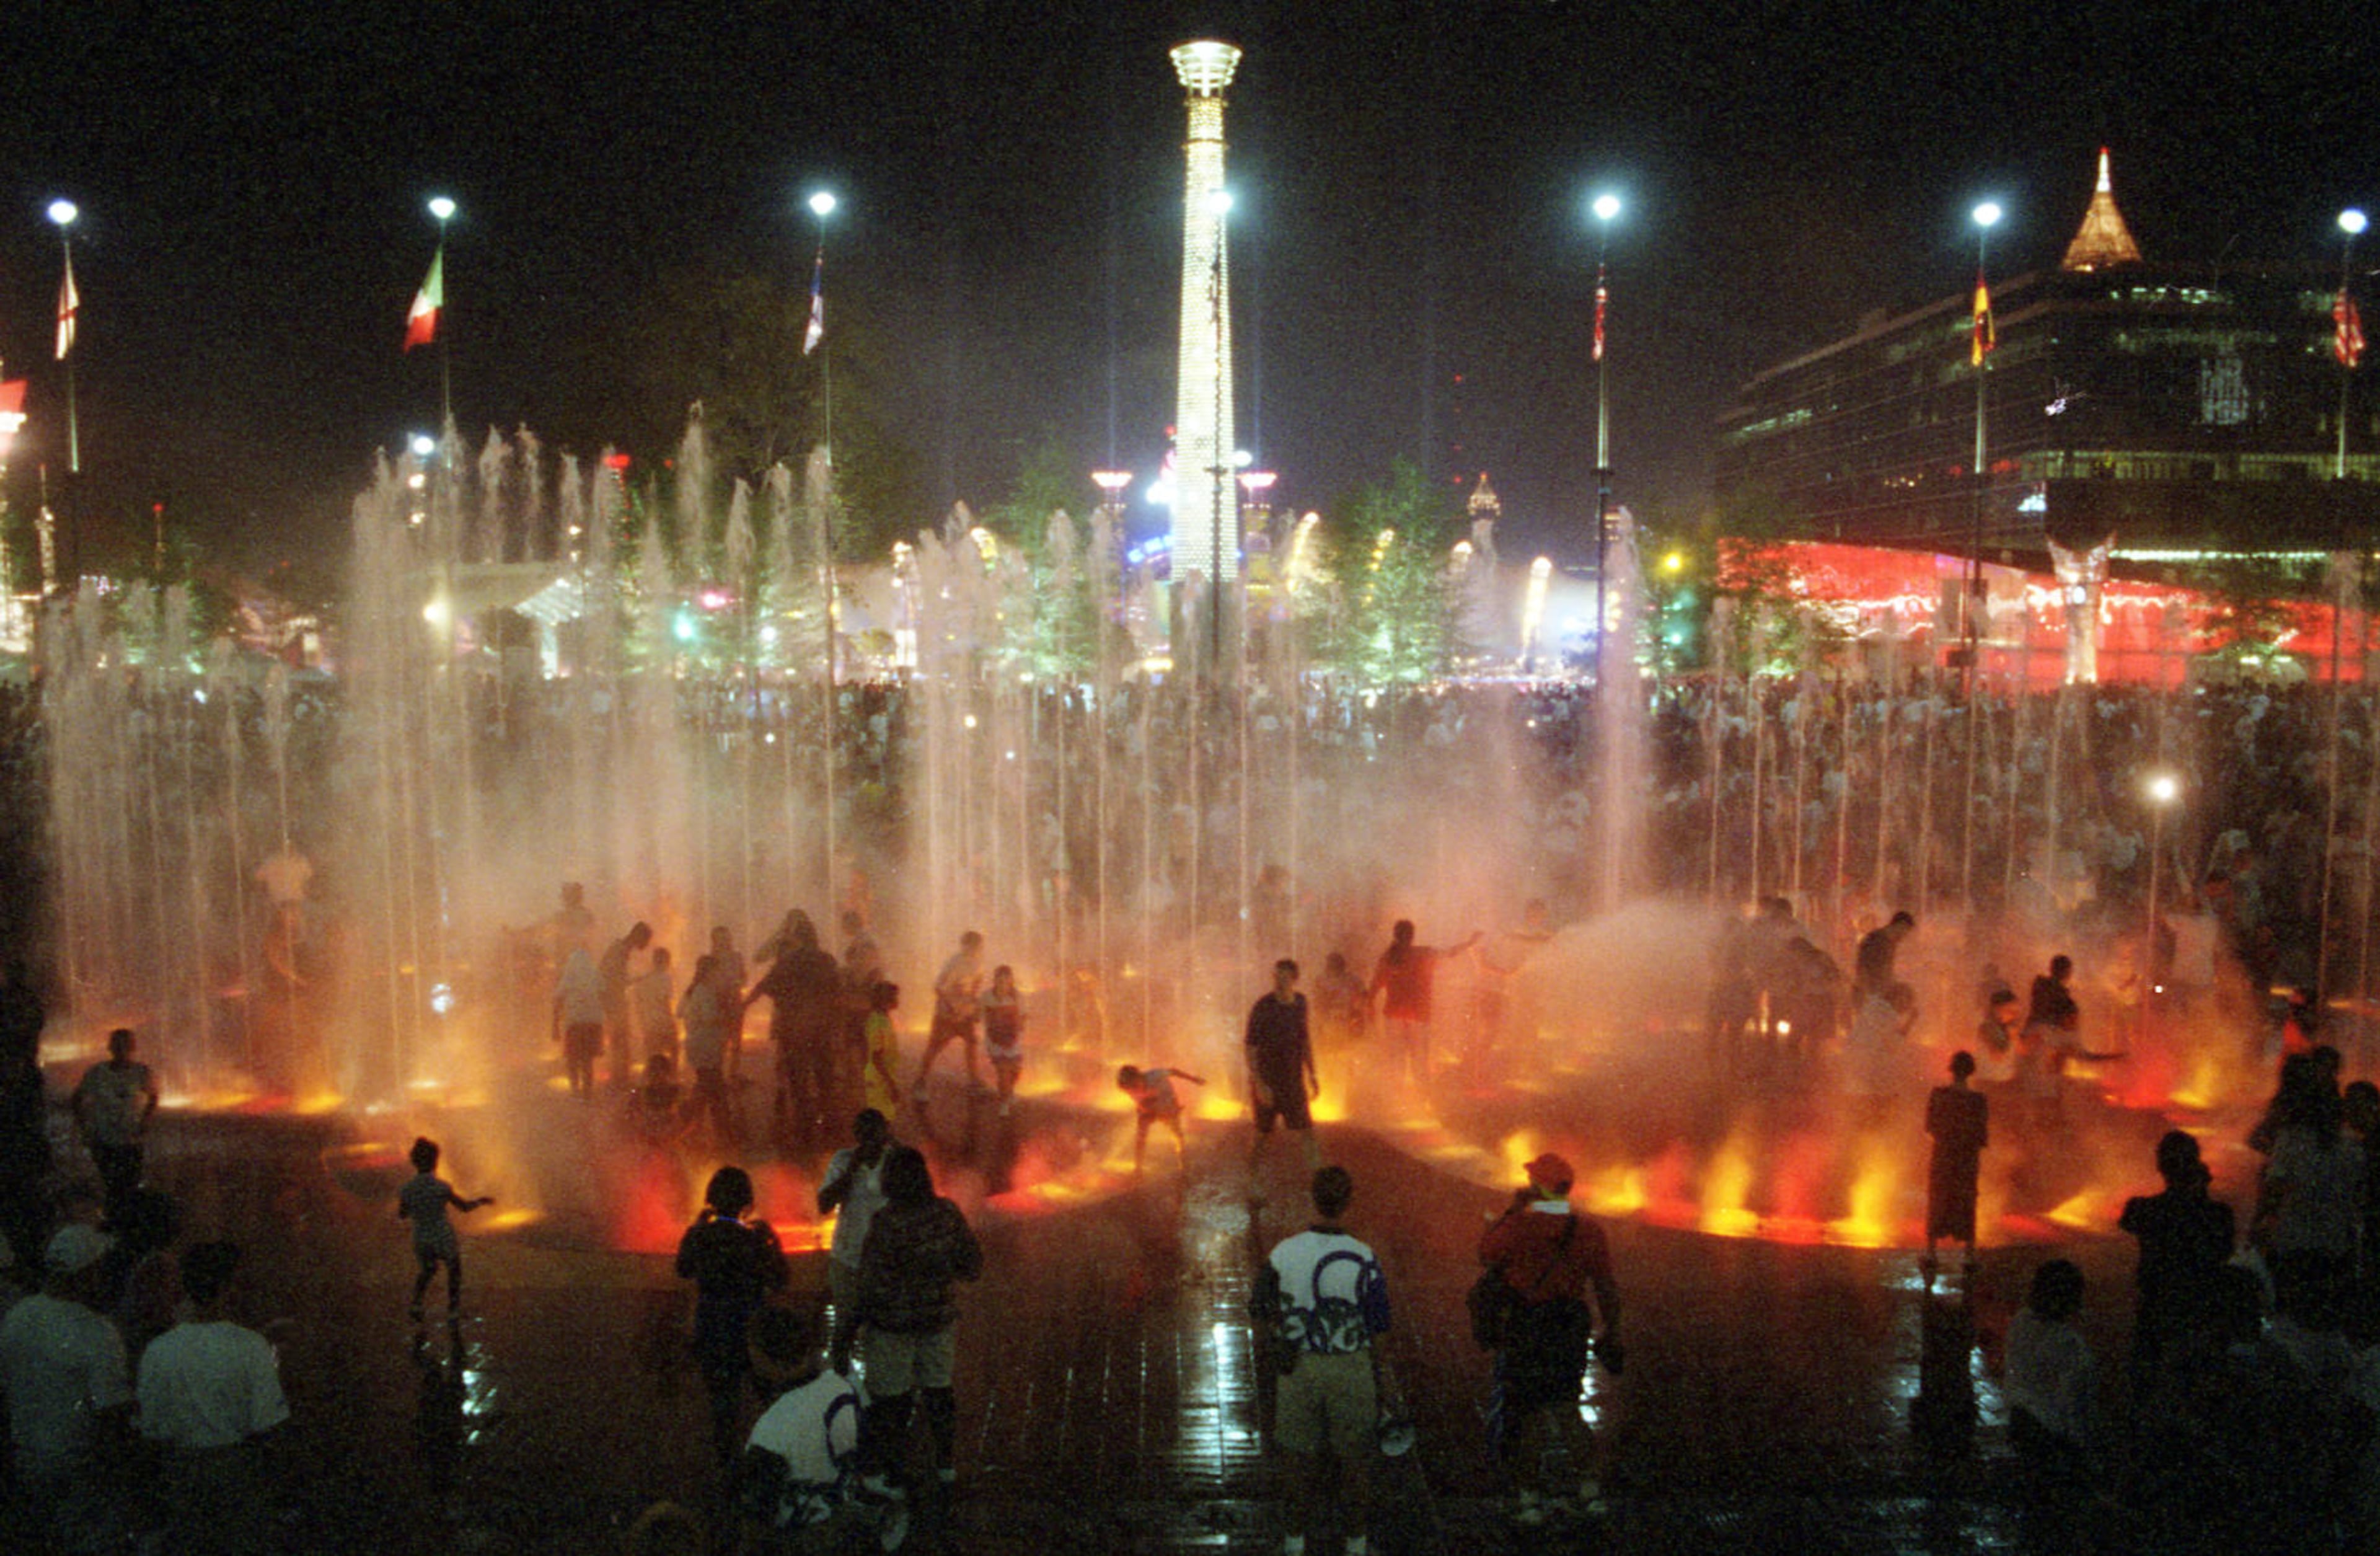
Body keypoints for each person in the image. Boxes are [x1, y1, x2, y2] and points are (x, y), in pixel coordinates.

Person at [1476, 1152, 1622, 1527]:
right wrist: (1612, 1330)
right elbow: (1606, 1286)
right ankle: (1589, 1494)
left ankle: (1529, 1500)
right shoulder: (1588, 1230)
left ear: (1535, 1187)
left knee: (1528, 1415)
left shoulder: (1520, 1227)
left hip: (1529, 1326)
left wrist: (1512, 1211)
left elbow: (1486, 1253)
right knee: (1566, 1407)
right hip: (1569, 1326)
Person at [1254, 1165, 1391, 1556]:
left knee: (1297, 1460)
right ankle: (1356, 1544)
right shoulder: (1364, 1257)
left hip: (1299, 1367)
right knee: (1354, 1463)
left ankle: (1295, 1542)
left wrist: (1272, 1350)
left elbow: (1258, 1306)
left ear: (1312, 1199)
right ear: (1349, 1202)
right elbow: (1380, 1326)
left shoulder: (1285, 1252)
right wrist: (1376, 1375)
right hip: (1351, 1367)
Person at [135, 1240, 289, 1556]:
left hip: (179, 1473)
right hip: (235, 1471)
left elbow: (150, 1429)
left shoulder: (159, 1350)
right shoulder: (250, 1346)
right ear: (227, 1286)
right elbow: (269, 1427)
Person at [855, 1146, 982, 1496]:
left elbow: (870, 1282)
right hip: (937, 1321)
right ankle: (944, 1464)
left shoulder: (886, 1222)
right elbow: (972, 1265)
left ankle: (893, 1472)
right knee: (939, 1392)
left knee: (891, 1402)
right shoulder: (947, 1213)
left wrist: (850, 1329)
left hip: (893, 1328)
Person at [0, 1224, 131, 1548]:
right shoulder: (97, 1332)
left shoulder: (18, 1316)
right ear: (88, 1272)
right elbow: (111, 1414)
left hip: (26, 1462)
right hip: (77, 1468)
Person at [739, 1306, 907, 1553]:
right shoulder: (842, 1387)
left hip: (803, 1539)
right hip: (846, 1523)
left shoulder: (771, 1433)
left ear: (759, 1356)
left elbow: (758, 1523)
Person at [676, 1165, 791, 1466]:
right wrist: (774, 1243)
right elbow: (780, 1280)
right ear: (747, 1201)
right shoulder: (754, 1239)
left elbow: (683, 1268)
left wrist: (695, 1228)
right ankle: (778, 1457)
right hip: (750, 1327)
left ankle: (729, 1468)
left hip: (712, 1328)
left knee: (724, 1407)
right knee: (769, 1398)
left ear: (711, 1199)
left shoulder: (702, 1235)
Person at [2118, 1130, 2235, 1390]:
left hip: (2157, 1307)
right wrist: (2200, 1191)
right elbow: (2225, 1250)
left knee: (2149, 1383)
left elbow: (2127, 1220)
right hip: (2203, 1309)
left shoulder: (2146, 1210)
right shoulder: (2219, 1216)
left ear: (2161, 1166)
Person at [746, 912, 846, 1152]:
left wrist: (742, 1006)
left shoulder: (788, 962)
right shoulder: (827, 960)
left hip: (794, 1030)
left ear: (797, 939)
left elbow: (764, 985)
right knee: (824, 1078)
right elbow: (838, 994)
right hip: (822, 1029)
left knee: (799, 1081)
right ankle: (829, 1124)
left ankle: (805, 1130)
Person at [2003, 1259, 2097, 1503]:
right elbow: (2072, 1402)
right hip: (2055, 1438)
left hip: (2023, 1422)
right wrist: (2081, 1450)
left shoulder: (2021, 1323)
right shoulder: (2068, 1345)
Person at [817, 1108, 896, 1376]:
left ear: (885, 1134)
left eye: (875, 1135)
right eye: (863, 1135)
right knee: (845, 1327)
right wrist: (851, 1170)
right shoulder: (843, 1160)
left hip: (886, 1261)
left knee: (884, 1327)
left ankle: (883, 1383)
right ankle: (842, 1385)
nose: (869, 1142)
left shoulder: (895, 1162)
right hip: (848, 1259)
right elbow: (824, 1204)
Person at [1368, 920, 1481, 1088]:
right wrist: (1470, 943)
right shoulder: (1423, 954)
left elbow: (1375, 986)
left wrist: (1367, 1006)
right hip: (1419, 1014)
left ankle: (1396, 1099)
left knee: (1396, 1057)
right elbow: (1450, 952)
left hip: (1394, 1014)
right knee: (1419, 1057)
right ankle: (1422, 1097)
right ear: (1412, 936)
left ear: (1395, 935)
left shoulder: (1388, 958)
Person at [400, 1136, 493, 1321]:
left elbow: (402, 1214)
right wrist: (482, 1201)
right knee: (454, 1270)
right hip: (442, 1235)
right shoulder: (442, 1187)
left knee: (427, 1271)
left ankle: (416, 1304)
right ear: (435, 1161)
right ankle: (453, 1309)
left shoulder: (407, 1189)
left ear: (414, 1162)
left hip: (421, 1237)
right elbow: (464, 1208)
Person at [71, 1027, 158, 1222]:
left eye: (126, 1045)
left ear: (132, 1048)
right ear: (110, 1048)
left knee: (130, 1182)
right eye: (118, 1045)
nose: (122, 1050)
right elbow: (77, 1099)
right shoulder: (96, 1073)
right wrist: (84, 1126)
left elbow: (153, 1097)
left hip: (132, 1138)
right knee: (112, 1183)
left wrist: (146, 1119)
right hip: (103, 1138)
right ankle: (115, 1222)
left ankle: (124, 1221)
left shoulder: (142, 1072)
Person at [1246, 959, 1322, 1180]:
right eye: (1276, 976)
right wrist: (1259, 1084)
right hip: (1269, 1081)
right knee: (1262, 1135)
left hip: (1293, 1081)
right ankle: (1253, 1180)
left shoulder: (1301, 1003)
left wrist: (1313, 1074)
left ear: (1294, 979)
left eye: (1284, 977)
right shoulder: (1263, 1007)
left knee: (1308, 1131)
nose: (1279, 981)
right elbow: (1250, 1048)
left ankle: (1318, 1179)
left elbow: (1304, 1039)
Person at [1923, 1051, 1989, 1281]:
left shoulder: (1938, 1095)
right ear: (1971, 1072)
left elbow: (1929, 1128)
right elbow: (1982, 1136)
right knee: (1967, 1200)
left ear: (1951, 1070)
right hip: (1967, 1159)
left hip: (1943, 1156)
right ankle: (1969, 1255)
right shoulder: (1978, 1101)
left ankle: (1931, 1252)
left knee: (1939, 1198)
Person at [912, 931, 987, 1100]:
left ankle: (973, 1081)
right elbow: (938, 987)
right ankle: (920, 1082)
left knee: (972, 1042)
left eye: (978, 946)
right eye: (973, 946)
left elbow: (977, 983)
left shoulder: (977, 964)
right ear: (965, 946)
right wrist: (951, 1007)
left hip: (964, 1011)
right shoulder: (954, 963)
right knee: (935, 1047)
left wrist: (973, 1005)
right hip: (947, 1014)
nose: (977, 949)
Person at [679, 953, 739, 1147]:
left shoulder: (693, 990)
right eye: (718, 970)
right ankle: (721, 1133)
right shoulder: (704, 991)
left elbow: (680, 1011)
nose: (721, 974)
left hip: (701, 1046)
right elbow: (709, 1018)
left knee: (706, 1088)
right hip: (706, 1047)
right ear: (709, 972)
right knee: (715, 1090)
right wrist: (730, 1014)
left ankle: (693, 1127)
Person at [1117, 1063, 1205, 1174]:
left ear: (1139, 1077)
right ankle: (1138, 1167)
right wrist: (1143, 1108)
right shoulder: (1127, 1087)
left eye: (1135, 1085)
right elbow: (1136, 1098)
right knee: (1141, 1136)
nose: (1134, 1089)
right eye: (1130, 1088)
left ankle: (1183, 1163)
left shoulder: (1155, 1075)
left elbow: (1174, 1071)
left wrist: (1195, 1080)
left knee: (1177, 1134)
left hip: (1168, 1104)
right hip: (1148, 1106)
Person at [601, 921, 657, 1090]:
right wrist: (640, 979)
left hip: (613, 998)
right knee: (620, 1037)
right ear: (638, 935)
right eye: (646, 940)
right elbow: (614, 978)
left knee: (621, 1037)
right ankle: (620, 1078)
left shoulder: (620, 948)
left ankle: (620, 1076)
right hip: (613, 999)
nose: (646, 945)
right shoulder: (620, 950)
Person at [553, 934, 607, 1099]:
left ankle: (575, 1090)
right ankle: (587, 1092)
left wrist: (554, 1025)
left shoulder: (569, 975)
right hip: (593, 1022)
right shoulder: (594, 972)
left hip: (574, 1023)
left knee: (572, 1058)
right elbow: (604, 993)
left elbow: (558, 999)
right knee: (587, 1060)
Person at [982, 965, 1025, 1117]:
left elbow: (1023, 1015)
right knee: (1003, 1071)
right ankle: (1004, 1103)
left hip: (1013, 1039)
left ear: (1011, 981)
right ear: (995, 981)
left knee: (1016, 1071)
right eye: (1000, 980)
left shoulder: (1017, 996)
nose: (1003, 984)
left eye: (1007, 981)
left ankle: (1009, 1090)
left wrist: (1021, 1023)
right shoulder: (987, 997)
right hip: (995, 1039)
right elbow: (979, 1014)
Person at [861, 982, 904, 1119]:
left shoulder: (883, 1019)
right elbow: (877, 1058)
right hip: (879, 1080)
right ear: (885, 1000)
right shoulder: (878, 1022)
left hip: (882, 1078)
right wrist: (891, 1084)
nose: (898, 1000)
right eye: (894, 997)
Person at [1853, 910, 1916, 1004]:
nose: (1904, 937)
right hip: (1872, 995)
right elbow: (1864, 969)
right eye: (1905, 932)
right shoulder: (1878, 940)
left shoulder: (1887, 942)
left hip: (1877, 995)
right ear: (1901, 925)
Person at [633, 944, 679, 1063]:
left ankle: (652, 1079)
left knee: (652, 1056)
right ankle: (672, 1077)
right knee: (674, 1050)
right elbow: (665, 1003)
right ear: (666, 961)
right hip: (663, 1022)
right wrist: (672, 1023)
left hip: (649, 1023)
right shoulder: (665, 978)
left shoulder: (644, 979)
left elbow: (638, 1003)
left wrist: (642, 1022)